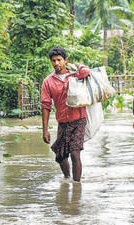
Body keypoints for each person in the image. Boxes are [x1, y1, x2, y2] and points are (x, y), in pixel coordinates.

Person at [41, 46, 90, 182]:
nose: (56, 63)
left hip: (79, 119)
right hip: (62, 121)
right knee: (61, 155)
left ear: (65, 60)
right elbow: (45, 105)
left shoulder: (75, 75)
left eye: (59, 60)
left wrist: (79, 67)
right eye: (53, 61)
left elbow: (87, 72)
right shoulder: (48, 82)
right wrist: (45, 130)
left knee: (75, 153)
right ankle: (67, 179)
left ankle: (76, 186)